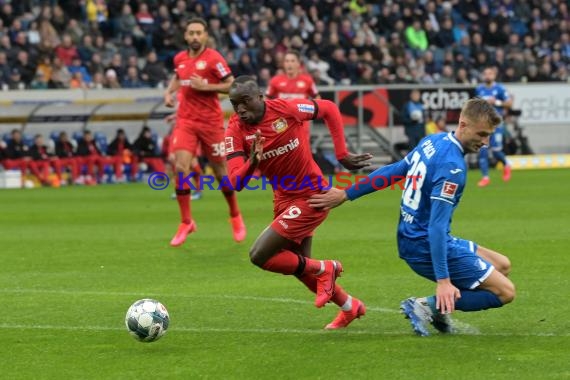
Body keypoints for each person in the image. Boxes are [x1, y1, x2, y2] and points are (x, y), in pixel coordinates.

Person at [308, 98, 516, 336]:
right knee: (505, 292)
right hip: (424, 244)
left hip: (411, 236)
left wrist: (347, 193)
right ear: (463, 124)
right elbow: (436, 228)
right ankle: (425, 306)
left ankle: (438, 310)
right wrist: (443, 281)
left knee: (502, 265)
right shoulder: (452, 168)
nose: (486, 142)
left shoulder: (433, 141)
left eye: (489, 135)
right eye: (482, 134)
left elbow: (395, 170)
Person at [225, 76, 372, 329]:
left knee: (259, 255)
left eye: (245, 101)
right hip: (283, 198)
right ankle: (350, 307)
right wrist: (253, 162)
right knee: (300, 268)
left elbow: (329, 108)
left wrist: (341, 154)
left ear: (261, 97)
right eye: (234, 104)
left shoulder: (286, 109)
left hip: (312, 196)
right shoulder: (235, 130)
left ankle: (326, 267)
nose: (240, 109)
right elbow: (235, 181)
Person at [164, 17, 245, 247]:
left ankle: (235, 214)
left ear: (206, 35)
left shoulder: (214, 59)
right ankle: (186, 221)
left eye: (199, 33)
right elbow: (178, 76)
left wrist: (206, 87)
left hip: (210, 122)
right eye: (191, 33)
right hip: (186, 121)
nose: (195, 37)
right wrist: (169, 93)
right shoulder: (180, 58)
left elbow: (232, 84)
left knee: (221, 173)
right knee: (180, 167)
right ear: (185, 35)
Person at [476, 66, 513, 187]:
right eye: (485, 73)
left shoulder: (500, 88)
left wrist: (496, 102)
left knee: (497, 151)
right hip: (483, 125)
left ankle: (506, 164)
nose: (487, 76)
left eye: (490, 74)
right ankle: (485, 178)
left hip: (496, 125)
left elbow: (509, 103)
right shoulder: (479, 89)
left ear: (494, 76)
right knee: (482, 151)